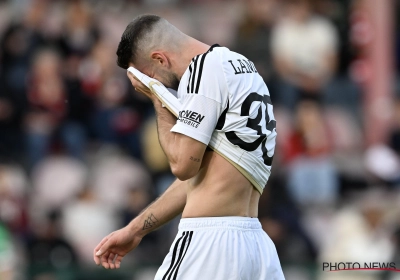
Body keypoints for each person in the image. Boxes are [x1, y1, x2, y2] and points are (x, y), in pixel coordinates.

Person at [93, 15, 284, 280]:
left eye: (149, 74)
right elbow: (202, 178)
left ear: (160, 59)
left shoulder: (203, 70)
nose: (154, 82)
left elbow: (182, 166)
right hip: (255, 248)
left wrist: (156, 97)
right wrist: (135, 229)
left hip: (209, 246)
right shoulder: (241, 66)